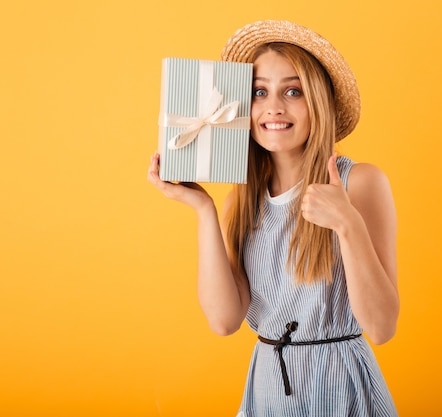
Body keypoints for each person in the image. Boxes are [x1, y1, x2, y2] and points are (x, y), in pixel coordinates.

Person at [148, 20, 399, 417]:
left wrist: (347, 224)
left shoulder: (361, 183)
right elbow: (224, 320)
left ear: (317, 101)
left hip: (342, 388)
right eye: (259, 92)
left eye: (293, 91)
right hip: (267, 387)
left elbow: (382, 328)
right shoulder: (241, 201)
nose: (273, 107)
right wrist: (204, 209)